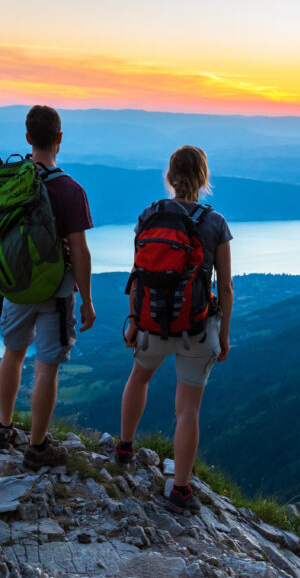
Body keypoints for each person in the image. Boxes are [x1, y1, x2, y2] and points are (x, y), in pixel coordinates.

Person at [117, 145, 233, 514]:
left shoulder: (149, 216)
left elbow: (138, 274)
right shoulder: (215, 223)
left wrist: (134, 321)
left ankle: (123, 448)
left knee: (139, 378)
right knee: (188, 411)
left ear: (169, 176)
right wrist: (224, 334)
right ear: (203, 178)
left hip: (150, 323)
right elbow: (226, 287)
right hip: (197, 330)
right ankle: (179, 489)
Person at [0, 105, 96, 469]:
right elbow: (79, 251)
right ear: (60, 139)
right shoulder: (70, 189)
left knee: (13, 352)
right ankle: (37, 447)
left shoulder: (9, 181)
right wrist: (88, 302)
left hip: (16, 285)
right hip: (57, 290)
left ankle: (3, 427)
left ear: (28, 137)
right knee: (47, 365)